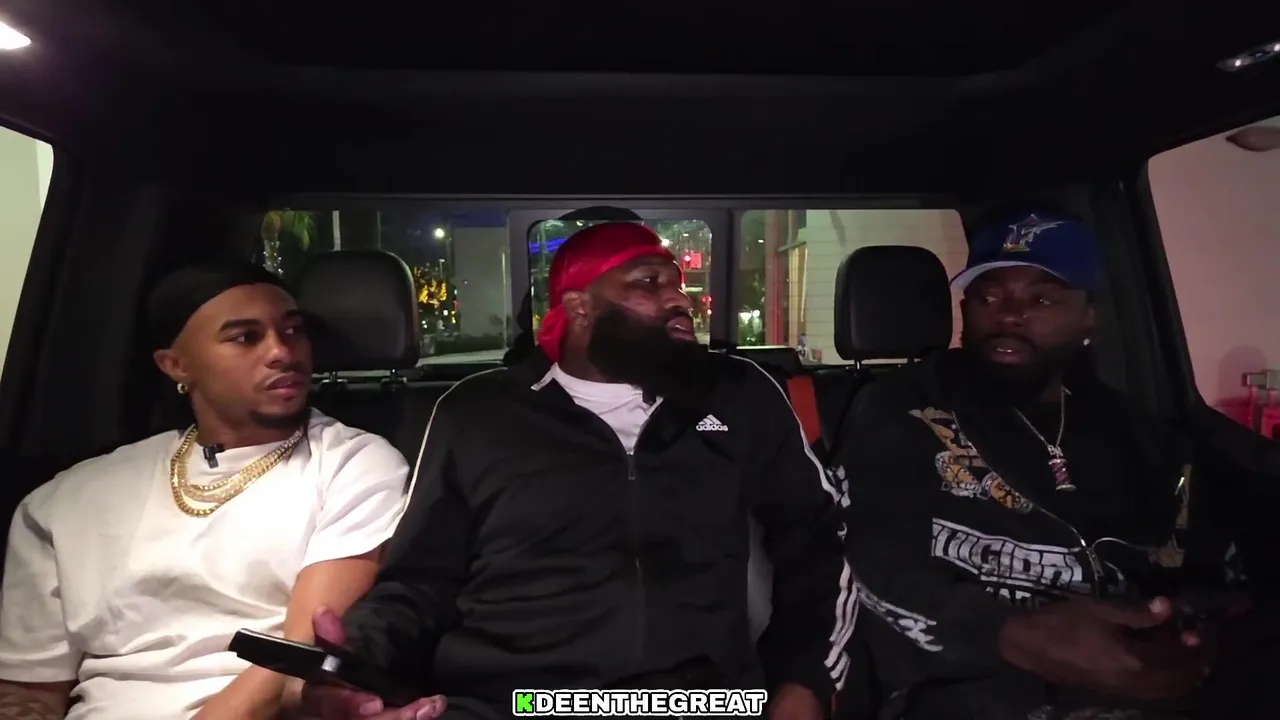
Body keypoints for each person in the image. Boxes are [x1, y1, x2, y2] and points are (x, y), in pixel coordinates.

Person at [300, 222, 855, 720]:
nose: (678, 300)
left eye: (678, 285)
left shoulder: (738, 394)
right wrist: (356, 661)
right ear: (581, 307)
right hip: (511, 701)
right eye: (649, 283)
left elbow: (818, 540)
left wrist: (804, 682)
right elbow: (422, 579)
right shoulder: (477, 412)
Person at [836, 208, 1278, 719]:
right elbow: (867, 558)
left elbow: (1210, 564)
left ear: (1090, 315)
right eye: (988, 297)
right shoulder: (901, 411)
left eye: (1041, 299)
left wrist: (1189, 622)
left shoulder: (1142, 435)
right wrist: (1011, 635)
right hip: (972, 690)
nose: (1008, 315)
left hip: (1143, 679)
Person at [0, 261, 412, 719]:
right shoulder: (67, 500)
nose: (281, 351)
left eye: (293, 331)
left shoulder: (352, 464)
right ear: (175, 365)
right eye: (245, 337)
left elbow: (301, 654)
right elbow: (29, 692)